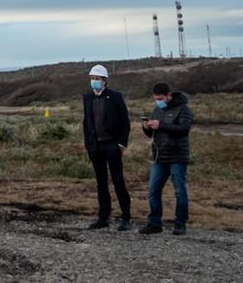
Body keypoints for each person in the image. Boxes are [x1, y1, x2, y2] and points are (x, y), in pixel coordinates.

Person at [80, 64, 132, 231]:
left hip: (112, 144)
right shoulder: (88, 98)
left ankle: (126, 217)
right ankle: (103, 217)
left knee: (118, 181)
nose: (94, 81)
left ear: (104, 81)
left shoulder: (115, 97)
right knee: (101, 182)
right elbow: (86, 122)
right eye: (92, 78)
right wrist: (88, 143)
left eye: (97, 78)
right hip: (95, 146)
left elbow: (125, 121)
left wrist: (121, 143)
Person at [139, 81, 194, 235]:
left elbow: (184, 129)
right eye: (156, 99)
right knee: (153, 190)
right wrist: (147, 128)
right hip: (159, 157)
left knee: (179, 192)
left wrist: (161, 125)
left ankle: (180, 223)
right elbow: (153, 134)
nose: (158, 101)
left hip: (177, 157)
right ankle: (154, 223)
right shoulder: (156, 110)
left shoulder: (184, 109)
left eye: (160, 98)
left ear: (169, 95)